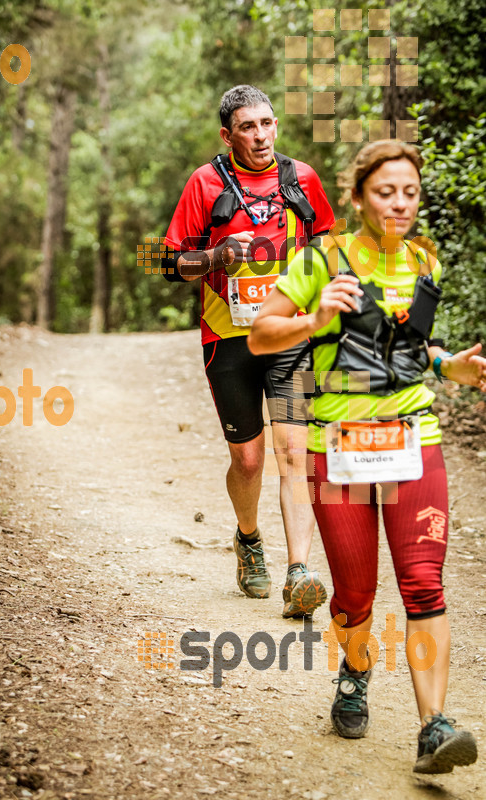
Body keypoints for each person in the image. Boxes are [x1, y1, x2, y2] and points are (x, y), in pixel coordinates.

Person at [248, 139, 484, 773]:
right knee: (354, 593)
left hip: (413, 440)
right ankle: (354, 674)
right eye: (386, 192)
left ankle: (433, 726)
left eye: (410, 191)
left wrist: (449, 366)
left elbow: (412, 344)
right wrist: (313, 318)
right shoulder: (322, 259)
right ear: (358, 198)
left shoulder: (424, 259)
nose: (400, 203)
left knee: (425, 586)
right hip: (338, 447)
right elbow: (260, 333)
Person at [163, 85, 335, 617]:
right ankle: (249, 539)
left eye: (267, 124)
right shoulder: (205, 183)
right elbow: (168, 262)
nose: (260, 136)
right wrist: (216, 256)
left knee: (293, 455)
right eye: (247, 127)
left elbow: (327, 243)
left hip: (289, 341)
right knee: (249, 458)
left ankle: (300, 571)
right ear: (227, 134)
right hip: (228, 341)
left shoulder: (301, 179)